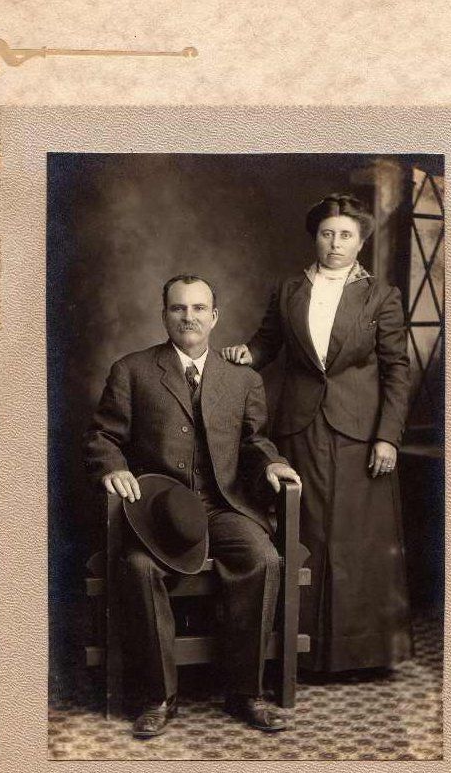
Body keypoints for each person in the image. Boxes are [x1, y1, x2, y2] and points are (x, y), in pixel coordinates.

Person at [85, 274, 302, 738]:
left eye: (199, 308)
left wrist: (273, 464)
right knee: (139, 567)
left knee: (262, 559)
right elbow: (104, 436)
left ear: (214, 316)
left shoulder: (243, 379)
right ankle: (159, 697)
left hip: (223, 506)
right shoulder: (132, 371)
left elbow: (255, 441)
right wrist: (112, 468)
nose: (189, 317)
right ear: (164, 315)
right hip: (158, 513)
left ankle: (246, 693)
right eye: (179, 308)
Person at [222, 194, 413, 674]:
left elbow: (397, 369)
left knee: (356, 539)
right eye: (328, 233)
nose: (335, 243)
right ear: (316, 237)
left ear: (361, 241)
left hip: (361, 433)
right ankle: (300, 653)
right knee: (304, 531)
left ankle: (361, 653)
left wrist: (388, 436)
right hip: (300, 425)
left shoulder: (381, 296)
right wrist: (246, 354)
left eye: (346, 235)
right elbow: (268, 342)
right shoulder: (290, 289)